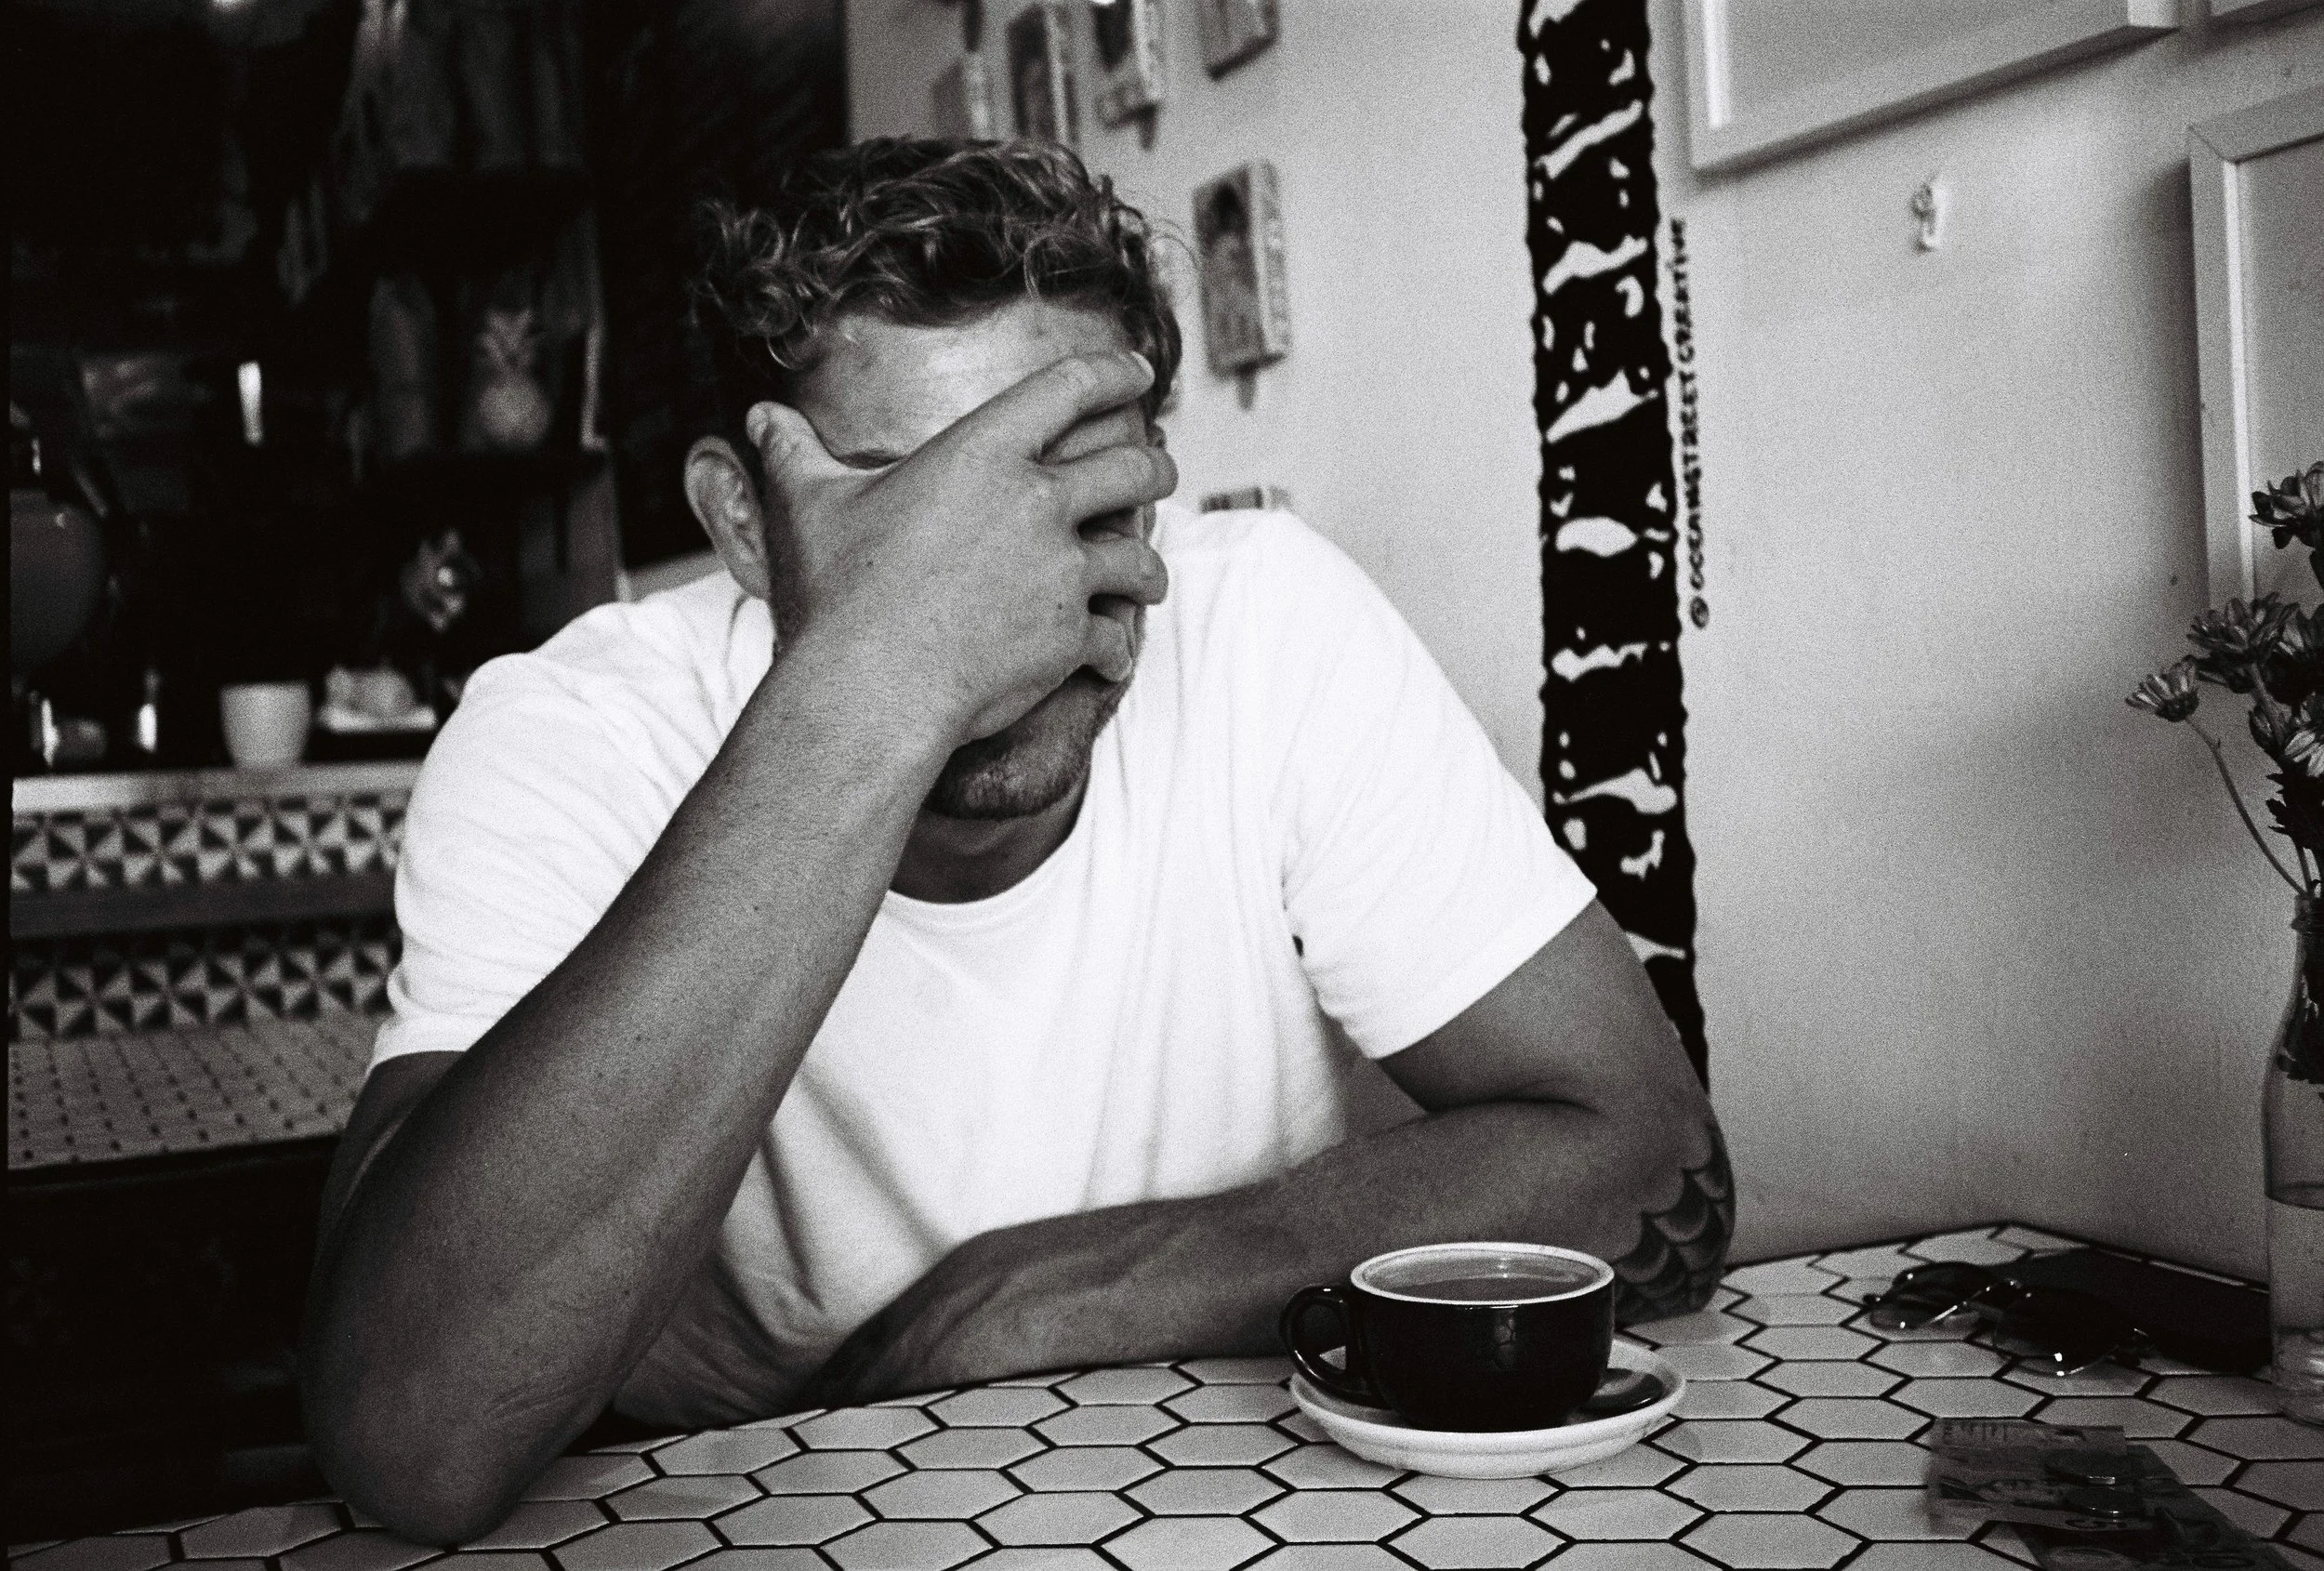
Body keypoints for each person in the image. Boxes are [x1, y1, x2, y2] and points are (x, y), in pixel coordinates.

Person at [300, 137, 1731, 1543]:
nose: (1026, 600)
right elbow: (411, 1437)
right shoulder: (573, 731)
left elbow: (1652, 1157)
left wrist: (1053, 1294)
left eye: (1080, 494)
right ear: (744, 523)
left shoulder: (1270, 624)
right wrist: (877, 681)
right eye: (912, 516)